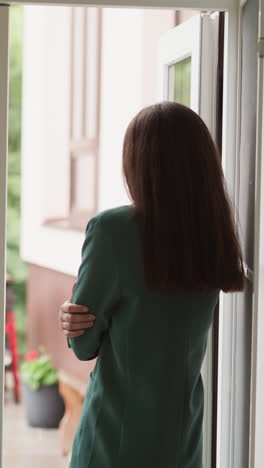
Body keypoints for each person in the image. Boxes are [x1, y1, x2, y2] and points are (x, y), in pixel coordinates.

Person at [59, 102, 245, 468]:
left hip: (114, 440)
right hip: (182, 442)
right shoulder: (214, 237)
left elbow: (83, 345)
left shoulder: (113, 231)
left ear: (138, 164)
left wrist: (71, 316)